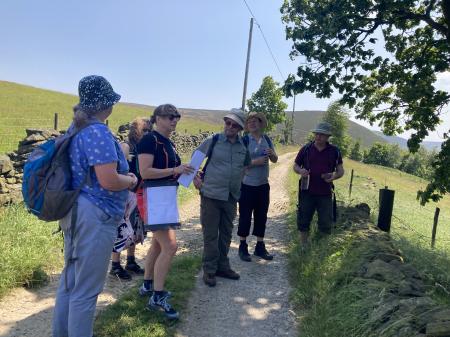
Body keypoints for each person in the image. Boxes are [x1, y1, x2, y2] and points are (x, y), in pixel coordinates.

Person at [53, 75, 138, 337]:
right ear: (104, 103)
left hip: (75, 212)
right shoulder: (97, 131)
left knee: (70, 283)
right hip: (95, 215)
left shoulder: (76, 128)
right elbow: (109, 180)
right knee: (87, 291)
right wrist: (131, 180)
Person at [136, 104, 193, 320]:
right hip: (153, 197)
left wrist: (187, 173)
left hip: (163, 197)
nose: (174, 120)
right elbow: (145, 172)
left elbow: (174, 171)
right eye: (170, 117)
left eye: (177, 116)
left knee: (157, 245)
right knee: (170, 245)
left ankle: (148, 285)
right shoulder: (150, 140)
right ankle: (157, 297)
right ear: (157, 118)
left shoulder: (167, 142)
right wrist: (174, 170)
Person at [193, 108, 251, 287]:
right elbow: (195, 160)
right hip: (210, 195)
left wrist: (238, 181)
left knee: (226, 234)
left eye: (235, 125)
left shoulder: (243, 145)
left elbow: (246, 165)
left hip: (231, 197)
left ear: (240, 128)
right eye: (228, 123)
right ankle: (209, 270)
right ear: (225, 122)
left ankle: (222, 267)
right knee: (211, 235)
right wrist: (196, 179)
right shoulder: (214, 140)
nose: (230, 127)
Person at [109, 117, 151, 280]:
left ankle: (131, 261)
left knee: (136, 228)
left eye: (149, 130)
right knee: (122, 228)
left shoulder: (144, 148)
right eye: (144, 129)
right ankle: (115, 265)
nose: (147, 132)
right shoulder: (126, 146)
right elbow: (118, 171)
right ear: (136, 130)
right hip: (127, 195)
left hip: (140, 193)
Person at [293, 122, 344, 249]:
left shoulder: (335, 151)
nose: (318, 136)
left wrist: (333, 176)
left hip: (325, 193)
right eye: (317, 134)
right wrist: (300, 171)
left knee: (326, 222)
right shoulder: (306, 149)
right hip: (306, 191)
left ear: (328, 136)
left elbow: (340, 171)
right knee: (303, 219)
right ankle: (304, 246)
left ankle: (320, 247)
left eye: (322, 134)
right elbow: (295, 166)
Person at [238, 112, 278, 262]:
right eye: (250, 121)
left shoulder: (266, 139)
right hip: (247, 185)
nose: (252, 123)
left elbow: (275, 159)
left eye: (256, 121)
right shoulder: (244, 140)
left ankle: (260, 247)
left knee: (261, 216)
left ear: (261, 124)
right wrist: (255, 162)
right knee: (245, 216)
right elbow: (238, 163)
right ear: (247, 126)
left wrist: (272, 154)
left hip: (263, 185)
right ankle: (242, 247)